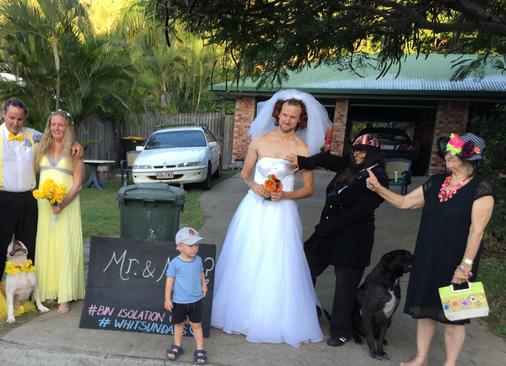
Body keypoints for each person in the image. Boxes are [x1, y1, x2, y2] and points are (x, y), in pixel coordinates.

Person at [211, 89, 331, 346]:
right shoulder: (260, 141)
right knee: (249, 255)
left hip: (282, 212)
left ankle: (272, 318)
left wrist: (285, 196)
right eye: (285, 115)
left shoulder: (303, 149)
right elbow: (245, 174)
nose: (287, 120)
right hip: (254, 209)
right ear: (278, 114)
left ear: (301, 120)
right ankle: (240, 314)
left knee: (278, 260)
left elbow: (309, 190)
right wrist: (254, 186)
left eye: (293, 117)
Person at [366, 133, 494, 366]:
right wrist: (377, 188)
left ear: (468, 158)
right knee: (425, 309)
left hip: (458, 262)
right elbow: (404, 203)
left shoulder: (481, 187)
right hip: (428, 256)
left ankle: (450, 363)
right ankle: (421, 358)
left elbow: (477, 231)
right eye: (446, 151)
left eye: (452, 152)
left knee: (455, 317)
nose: (446, 155)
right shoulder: (436, 182)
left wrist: (465, 267)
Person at [287, 133, 389, 347]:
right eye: (356, 150)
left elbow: (360, 211)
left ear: (374, 154)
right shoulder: (348, 166)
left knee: (345, 288)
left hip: (353, 239)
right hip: (327, 233)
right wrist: (303, 162)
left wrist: (327, 227)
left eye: (364, 151)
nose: (359, 154)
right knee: (304, 268)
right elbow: (325, 159)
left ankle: (341, 330)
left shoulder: (378, 177)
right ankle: (308, 311)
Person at [0, 98, 83, 284]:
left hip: (30, 200)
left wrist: (76, 143)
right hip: (1, 198)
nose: (15, 123)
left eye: (20, 119)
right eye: (12, 117)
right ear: (3, 114)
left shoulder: (34, 136)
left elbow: (56, 134)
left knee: (29, 247)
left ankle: (27, 291)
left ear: (24, 119)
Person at [33, 110, 85, 314]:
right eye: (53, 124)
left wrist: (61, 204)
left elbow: (78, 184)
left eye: (60, 125)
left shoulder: (74, 151)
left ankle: (65, 295)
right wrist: (50, 201)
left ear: (67, 127)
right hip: (45, 206)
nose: (56, 128)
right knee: (47, 245)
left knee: (64, 246)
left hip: (67, 205)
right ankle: (49, 291)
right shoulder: (42, 149)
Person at [164, 227, 209, 365]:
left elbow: (201, 272)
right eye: (191, 245)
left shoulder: (198, 260)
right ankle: (177, 346)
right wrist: (167, 298)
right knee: (179, 325)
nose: (195, 248)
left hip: (196, 300)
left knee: (196, 325)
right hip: (179, 302)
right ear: (180, 246)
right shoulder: (175, 263)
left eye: (197, 245)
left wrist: (204, 284)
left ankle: (200, 349)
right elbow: (169, 282)